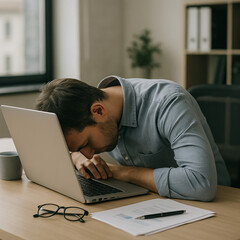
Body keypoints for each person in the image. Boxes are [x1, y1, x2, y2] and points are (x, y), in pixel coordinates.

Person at [35, 75, 230, 201]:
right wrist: (77, 157)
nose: (89, 153)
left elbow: (200, 183)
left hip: (215, 205)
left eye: (86, 144)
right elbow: (74, 150)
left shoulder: (169, 103)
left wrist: (120, 172)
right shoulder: (93, 108)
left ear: (98, 111)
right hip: (155, 201)